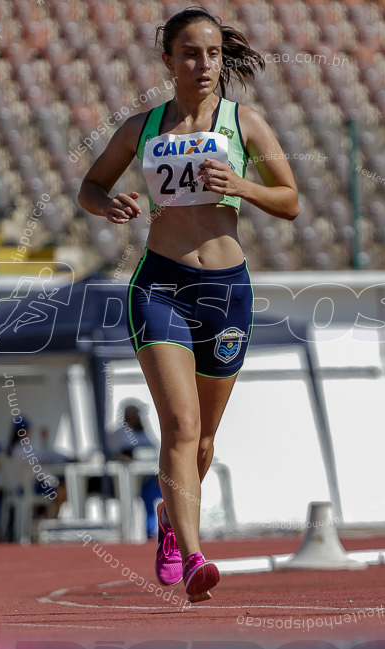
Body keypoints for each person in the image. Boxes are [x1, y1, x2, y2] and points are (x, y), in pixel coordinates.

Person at [79, 6, 299, 602]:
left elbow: (290, 201)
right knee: (180, 426)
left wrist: (242, 184)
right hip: (160, 285)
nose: (204, 64)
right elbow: (89, 186)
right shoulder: (141, 129)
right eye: (190, 54)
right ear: (168, 61)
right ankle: (197, 554)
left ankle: (170, 529)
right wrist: (110, 205)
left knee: (203, 442)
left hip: (225, 290)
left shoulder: (244, 123)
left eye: (213, 54)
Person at [106, 400, 164, 537]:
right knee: (148, 493)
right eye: (136, 414)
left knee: (166, 490)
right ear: (128, 415)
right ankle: (147, 532)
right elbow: (121, 455)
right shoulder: (120, 433)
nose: (139, 417)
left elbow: (154, 451)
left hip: (147, 479)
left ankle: (165, 531)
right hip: (125, 483)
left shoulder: (143, 432)